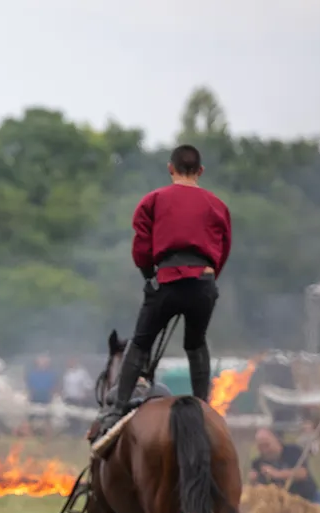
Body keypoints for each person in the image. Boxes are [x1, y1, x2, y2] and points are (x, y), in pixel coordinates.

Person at [95, 144, 231, 439]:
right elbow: (223, 246)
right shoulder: (217, 205)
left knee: (141, 343)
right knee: (195, 344)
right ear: (201, 171)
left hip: (167, 281)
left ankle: (117, 411)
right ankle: (203, 409)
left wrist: (149, 276)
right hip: (203, 284)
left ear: (170, 168)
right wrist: (208, 280)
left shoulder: (153, 200)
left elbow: (142, 246)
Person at [248, 428, 320, 513]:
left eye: (267, 445)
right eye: (260, 447)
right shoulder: (257, 463)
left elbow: (302, 473)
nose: (264, 450)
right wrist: (253, 481)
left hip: (308, 498)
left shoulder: (293, 451)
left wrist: (275, 473)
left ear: (277, 440)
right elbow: (259, 492)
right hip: (285, 506)